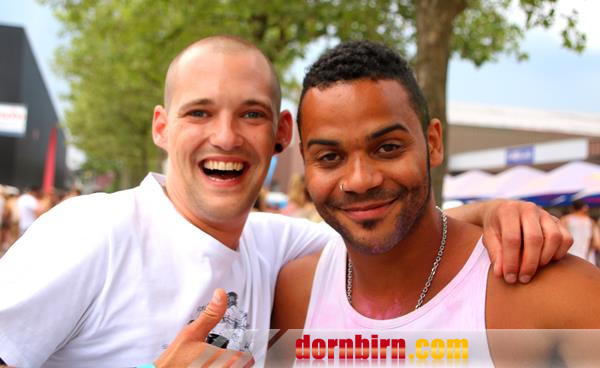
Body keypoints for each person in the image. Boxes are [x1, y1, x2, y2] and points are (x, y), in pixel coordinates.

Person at [0, 36, 570, 368]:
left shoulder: (276, 244)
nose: (226, 136)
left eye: (250, 113)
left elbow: (384, 222)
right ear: (162, 127)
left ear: (281, 133)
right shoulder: (92, 230)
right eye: (199, 112)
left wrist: (496, 212)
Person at [269, 40, 600, 365]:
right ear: (305, 162)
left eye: (387, 148)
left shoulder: (555, 294)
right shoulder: (293, 293)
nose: (359, 180)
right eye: (329, 157)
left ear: (433, 143)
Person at [561, 200, 600, 264]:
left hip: (570, 255)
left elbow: (562, 237)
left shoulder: (566, 219)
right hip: (587, 257)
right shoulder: (590, 221)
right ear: (584, 208)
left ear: (572, 208)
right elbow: (597, 242)